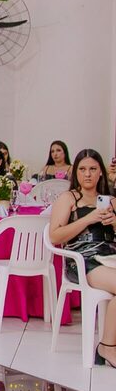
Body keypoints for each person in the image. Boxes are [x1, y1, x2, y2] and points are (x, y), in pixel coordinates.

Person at [47, 149, 116, 367]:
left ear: (101, 172)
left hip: (110, 257)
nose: (87, 174)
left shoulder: (111, 201)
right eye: (83, 169)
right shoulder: (69, 198)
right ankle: (107, 347)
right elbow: (55, 236)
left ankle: (108, 344)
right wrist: (88, 219)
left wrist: (114, 222)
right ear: (75, 172)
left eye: (93, 169)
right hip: (82, 260)